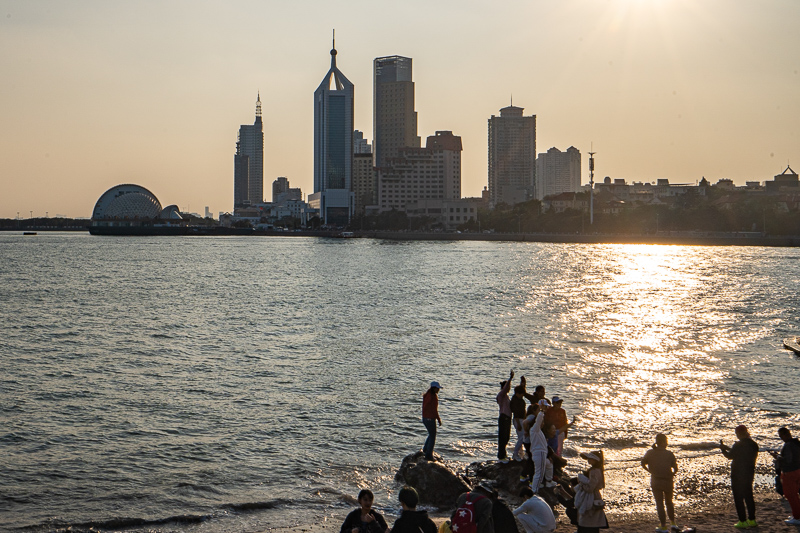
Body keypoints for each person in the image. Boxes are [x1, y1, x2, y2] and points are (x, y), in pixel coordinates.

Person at [719, 425, 759, 529]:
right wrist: (729, 448)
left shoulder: (738, 445)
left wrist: (723, 450)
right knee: (749, 497)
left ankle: (742, 521)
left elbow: (730, 456)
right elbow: (739, 453)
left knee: (738, 498)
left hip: (737, 474)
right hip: (749, 473)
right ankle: (752, 520)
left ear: (739, 434)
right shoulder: (754, 444)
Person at [641, 433, 679, 533]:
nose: (667, 443)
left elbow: (642, 463)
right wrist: (672, 474)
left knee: (659, 503)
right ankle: (673, 523)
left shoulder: (650, 453)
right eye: (666, 441)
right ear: (662, 442)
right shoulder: (669, 454)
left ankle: (663, 526)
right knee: (669, 502)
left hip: (656, 480)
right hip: (667, 480)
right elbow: (675, 468)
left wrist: (650, 471)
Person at [770, 427, 800, 525]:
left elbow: (788, 460)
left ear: (785, 434)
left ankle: (797, 517)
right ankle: (797, 514)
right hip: (797, 471)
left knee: (790, 494)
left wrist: (777, 457)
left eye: (781, 436)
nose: (781, 438)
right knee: (794, 494)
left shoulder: (789, 445)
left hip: (790, 472)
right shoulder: (796, 443)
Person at [574, 451, 609, 533]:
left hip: (591, 497)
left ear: (595, 460)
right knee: (593, 522)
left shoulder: (594, 471)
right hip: (595, 496)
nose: (588, 460)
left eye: (590, 458)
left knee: (588, 520)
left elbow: (590, 488)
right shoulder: (598, 470)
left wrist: (581, 484)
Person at [524, 399, 550, 493]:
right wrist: (542, 411)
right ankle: (535, 491)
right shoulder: (534, 429)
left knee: (544, 468)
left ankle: (542, 485)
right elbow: (538, 421)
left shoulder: (537, 432)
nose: (542, 423)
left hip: (538, 453)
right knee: (539, 474)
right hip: (539, 453)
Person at [510, 380, 535, 461]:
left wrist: (523, 383)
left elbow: (521, 389)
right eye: (521, 395)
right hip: (518, 420)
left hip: (522, 419)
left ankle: (520, 453)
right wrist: (518, 424)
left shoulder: (517, 398)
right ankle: (515, 454)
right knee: (521, 438)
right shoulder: (515, 401)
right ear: (517, 393)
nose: (522, 396)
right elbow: (516, 413)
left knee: (522, 437)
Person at [496, 370, 514, 462]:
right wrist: (510, 379)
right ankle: (501, 456)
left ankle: (504, 454)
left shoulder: (506, 396)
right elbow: (505, 389)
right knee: (502, 437)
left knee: (506, 437)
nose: (509, 388)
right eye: (508, 386)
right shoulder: (501, 395)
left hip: (508, 418)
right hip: (503, 418)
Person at [422, 382, 442, 461]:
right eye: (437, 388)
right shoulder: (433, 397)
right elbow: (434, 410)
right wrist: (438, 419)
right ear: (433, 388)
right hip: (430, 419)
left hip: (425, 418)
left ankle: (425, 450)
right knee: (433, 436)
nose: (438, 390)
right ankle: (429, 455)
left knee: (431, 434)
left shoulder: (427, 395)